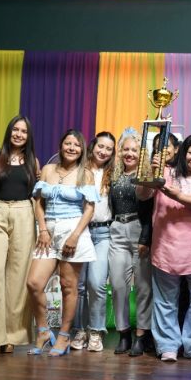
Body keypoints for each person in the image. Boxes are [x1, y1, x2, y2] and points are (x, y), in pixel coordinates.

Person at [136, 134, 191, 362]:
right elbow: (142, 195)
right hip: (166, 249)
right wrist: (149, 172)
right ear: (183, 152)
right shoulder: (166, 173)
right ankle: (167, 345)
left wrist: (179, 195)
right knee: (165, 302)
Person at [26, 129, 97, 357]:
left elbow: (89, 208)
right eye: (68, 143)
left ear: (82, 149)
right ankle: (43, 331)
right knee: (34, 283)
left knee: (68, 286)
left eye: (76, 145)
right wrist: (42, 229)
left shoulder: (85, 174)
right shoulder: (47, 170)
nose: (71, 148)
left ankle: (64, 335)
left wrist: (75, 236)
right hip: (48, 232)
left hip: (73, 230)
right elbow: (38, 202)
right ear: (61, 145)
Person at [0, 116, 40, 356]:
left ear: (28, 136)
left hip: (24, 213)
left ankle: (12, 335)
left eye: (24, 131)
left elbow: (37, 195)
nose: (19, 134)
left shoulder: (33, 162)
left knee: (17, 277)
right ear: (9, 131)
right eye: (15, 129)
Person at [107, 129, 155, 356]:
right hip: (117, 229)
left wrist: (145, 238)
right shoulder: (114, 175)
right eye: (125, 149)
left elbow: (150, 210)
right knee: (118, 285)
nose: (129, 153)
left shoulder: (146, 176)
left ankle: (141, 335)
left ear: (141, 153)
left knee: (144, 287)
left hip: (139, 229)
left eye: (134, 150)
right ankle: (124, 332)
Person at [79, 131, 116, 352]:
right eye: (100, 146)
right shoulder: (79, 169)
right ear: (92, 146)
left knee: (96, 283)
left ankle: (95, 331)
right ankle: (79, 330)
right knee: (79, 286)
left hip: (103, 233)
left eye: (108, 149)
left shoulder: (113, 173)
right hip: (80, 232)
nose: (103, 151)